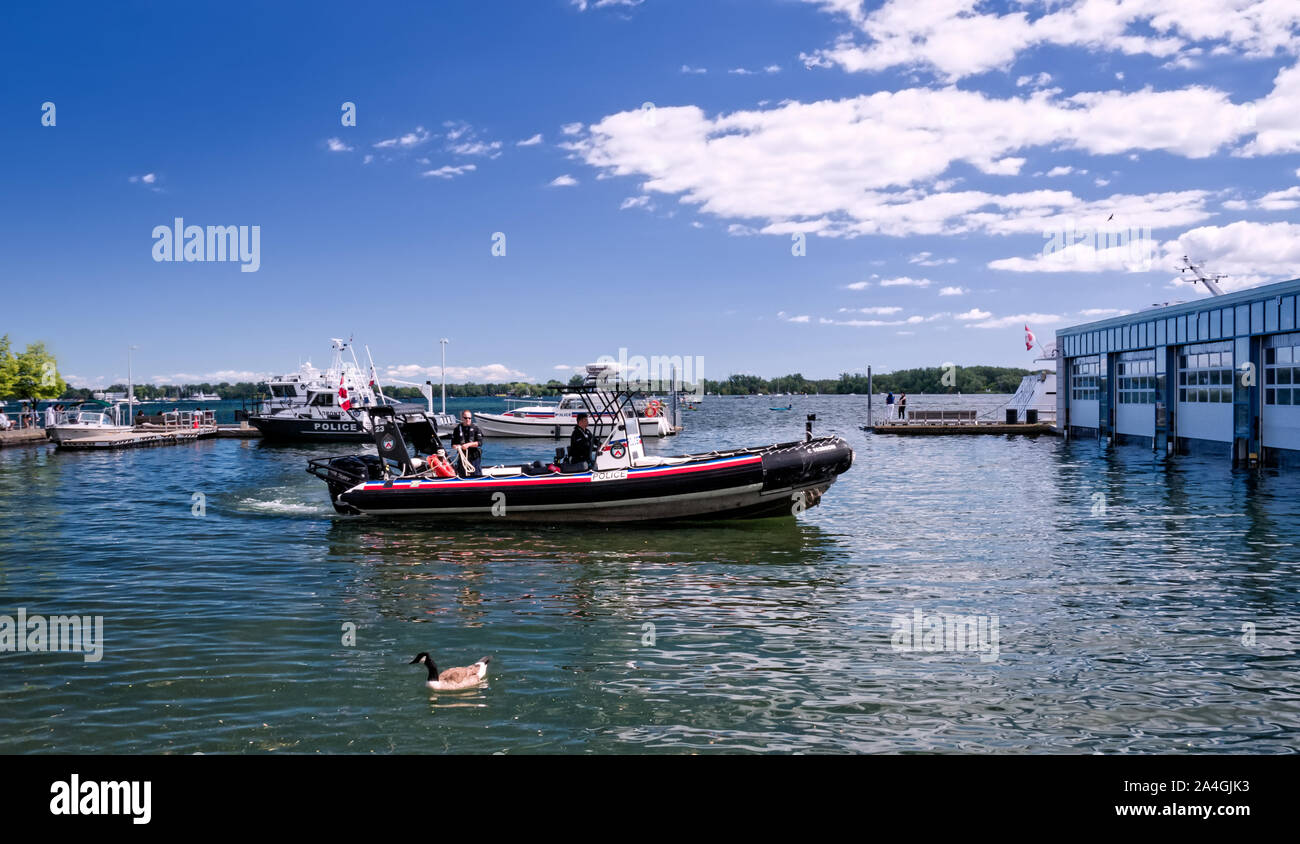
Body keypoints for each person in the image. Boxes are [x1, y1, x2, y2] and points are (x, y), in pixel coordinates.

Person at [451, 411, 484, 477]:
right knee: (462, 474)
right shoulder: (457, 429)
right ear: (462, 418)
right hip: (462, 456)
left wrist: (468, 445)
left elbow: (480, 443)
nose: (468, 420)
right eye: (466, 418)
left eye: (469, 418)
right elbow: (453, 444)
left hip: (474, 456)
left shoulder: (476, 429)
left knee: (475, 474)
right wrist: (457, 447)